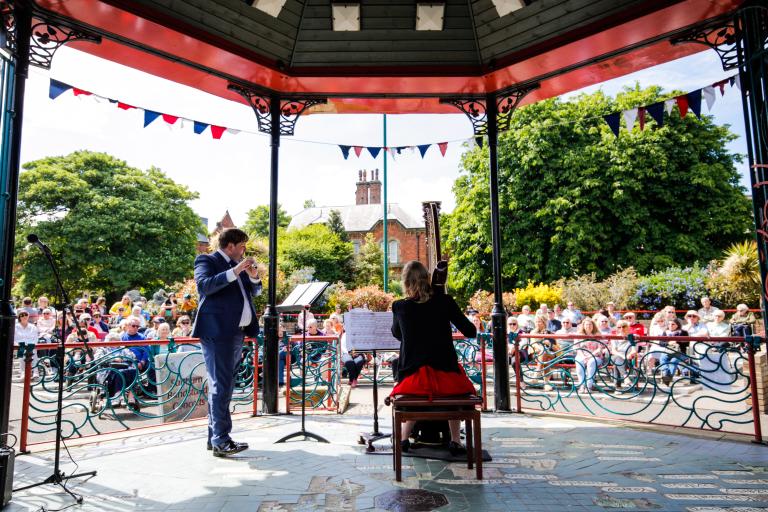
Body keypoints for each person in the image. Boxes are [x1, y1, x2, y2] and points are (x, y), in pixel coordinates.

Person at [390, 260, 477, 456]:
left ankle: (403, 439)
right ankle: (455, 441)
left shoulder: (399, 306)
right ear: (427, 279)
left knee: (419, 389)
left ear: (404, 282)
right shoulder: (444, 301)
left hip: (412, 377)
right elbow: (470, 331)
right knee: (452, 389)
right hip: (446, 375)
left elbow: (397, 334)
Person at [192, 228, 262, 457]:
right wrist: (235, 270)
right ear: (230, 245)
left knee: (223, 385)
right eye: (242, 246)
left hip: (236, 332)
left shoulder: (238, 266)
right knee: (221, 386)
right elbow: (204, 286)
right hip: (217, 332)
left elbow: (255, 292)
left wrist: (252, 276)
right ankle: (222, 439)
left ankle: (214, 438)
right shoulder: (207, 260)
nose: (244, 252)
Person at [573, 317, 606, 392]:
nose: (588, 326)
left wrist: (589, 356)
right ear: (583, 326)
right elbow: (577, 348)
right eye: (586, 324)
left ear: (593, 325)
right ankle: (582, 385)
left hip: (595, 356)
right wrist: (584, 357)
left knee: (591, 362)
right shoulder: (578, 335)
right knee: (579, 361)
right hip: (582, 355)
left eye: (590, 324)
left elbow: (599, 349)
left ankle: (589, 386)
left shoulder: (598, 334)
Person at [658, 317, 688, 386]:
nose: (670, 326)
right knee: (662, 358)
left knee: (673, 361)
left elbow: (687, 343)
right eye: (669, 324)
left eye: (673, 324)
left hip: (680, 352)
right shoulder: (666, 332)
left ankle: (668, 378)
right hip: (668, 352)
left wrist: (677, 341)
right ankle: (667, 373)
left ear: (677, 325)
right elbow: (661, 343)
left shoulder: (683, 332)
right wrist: (668, 343)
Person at [611, 320, 638, 393]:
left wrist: (630, 354)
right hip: (618, 356)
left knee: (617, 364)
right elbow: (613, 351)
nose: (621, 329)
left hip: (629, 358)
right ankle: (625, 376)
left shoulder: (632, 337)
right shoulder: (615, 338)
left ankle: (617, 387)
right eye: (619, 327)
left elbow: (634, 349)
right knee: (618, 359)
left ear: (627, 327)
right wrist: (623, 356)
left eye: (624, 326)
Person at [15, 310, 39, 380]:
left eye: (25, 315)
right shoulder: (16, 327)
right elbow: (13, 338)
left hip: (30, 344)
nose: (24, 316)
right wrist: (18, 344)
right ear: (19, 317)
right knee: (22, 351)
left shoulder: (33, 327)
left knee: (33, 352)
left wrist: (30, 345)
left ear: (28, 316)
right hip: (19, 345)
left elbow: (35, 338)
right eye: (22, 315)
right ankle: (23, 372)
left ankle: (35, 372)